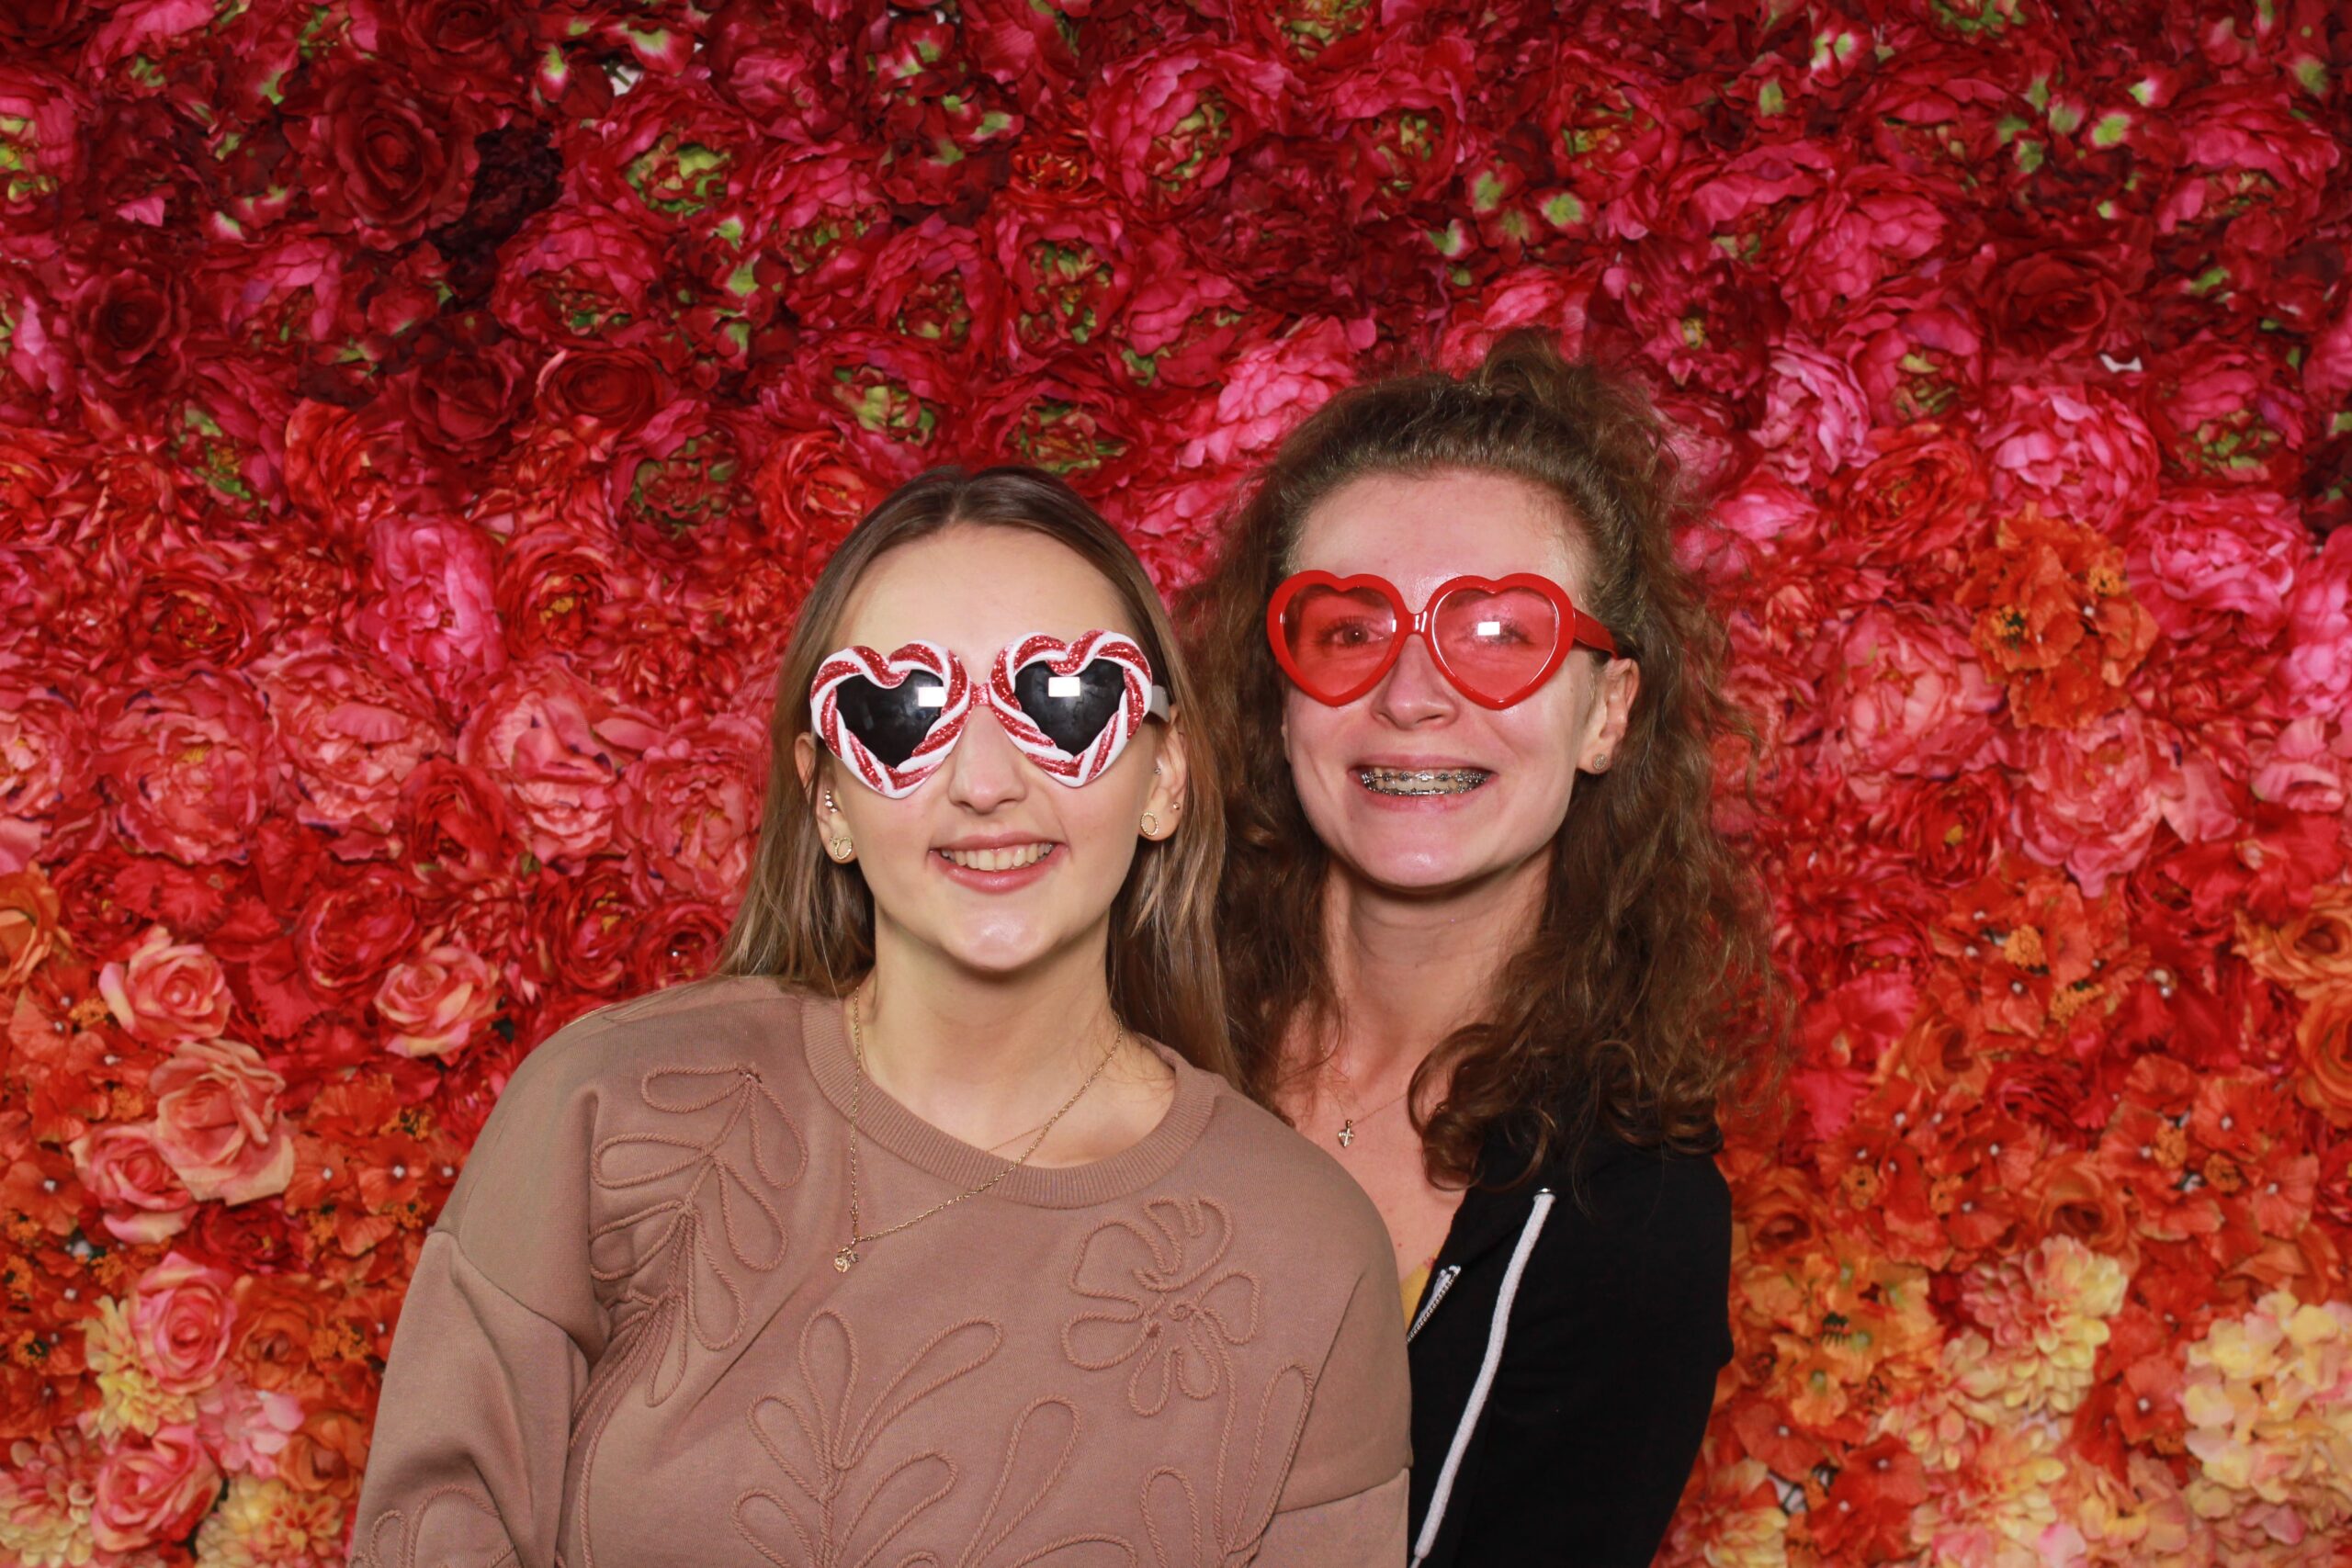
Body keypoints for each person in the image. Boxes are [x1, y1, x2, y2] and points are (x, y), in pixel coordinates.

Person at [348, 467, 1411, 1566]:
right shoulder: (608, 1111)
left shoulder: (1307, 1254)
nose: (985, 781)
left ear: (1164, 778)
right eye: (901, 716)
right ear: (828, 802)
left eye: (1063, 701)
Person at [1188, 332, 1790, 1567]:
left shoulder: (1629, 1222)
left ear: (1606, 715)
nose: (1412, 694)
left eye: (1503, 632)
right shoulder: (1122, 1035)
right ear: (1282, 698)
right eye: (1347, 629)